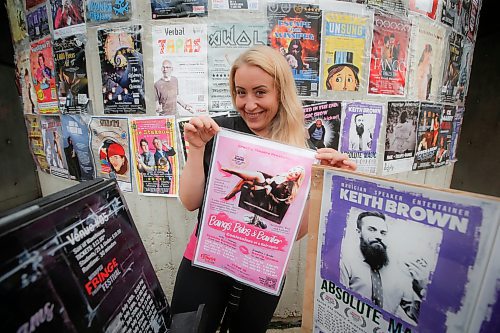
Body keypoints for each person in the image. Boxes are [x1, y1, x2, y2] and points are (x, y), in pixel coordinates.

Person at [171, 45, 357, 333]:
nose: (248, 104)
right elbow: (190, 201)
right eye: (240, 92)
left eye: (260, 92)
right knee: (186, 329)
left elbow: (293, 233)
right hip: (205, 260)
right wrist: (196, 150)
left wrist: (321, 186)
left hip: (262, 269)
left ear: (280, 92)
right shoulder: (218, 132)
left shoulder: (304, 152)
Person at [340, 212, 429, 325]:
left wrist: (422, 288)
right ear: (359, 232)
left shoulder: (398, 268)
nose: (378, 236)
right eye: (372, 229)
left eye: (383, 232)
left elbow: (415, 314)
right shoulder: (345, 262)